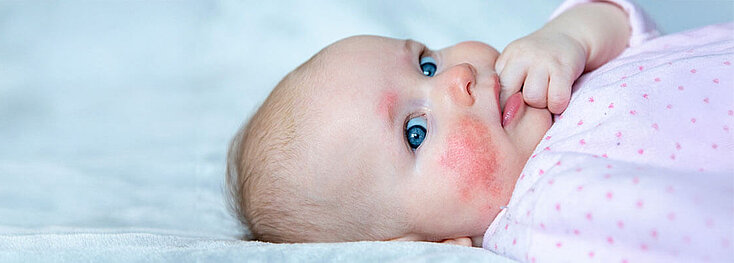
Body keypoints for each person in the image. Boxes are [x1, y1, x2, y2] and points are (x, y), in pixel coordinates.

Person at [226, 0, 732, 261]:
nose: (457, 79)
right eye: (415, 132)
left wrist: (566, 35)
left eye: (425, 64)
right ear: (437, 244)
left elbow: (621, 24)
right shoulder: (547, 212)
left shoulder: (543, 66)